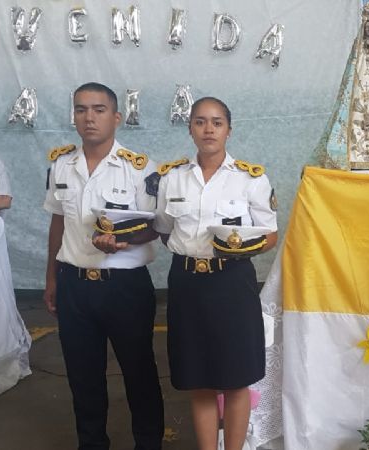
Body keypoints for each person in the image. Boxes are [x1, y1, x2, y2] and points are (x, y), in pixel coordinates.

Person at [43, 82, 164, 450]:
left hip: (124, 286)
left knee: (139, 371)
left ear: (116, 117)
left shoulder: (141, 169)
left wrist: (125, 240)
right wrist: (51, 278)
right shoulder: (61, 164)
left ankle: (148, 443)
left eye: (98, 110)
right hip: (75, 284)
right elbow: (58, 223)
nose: (88, 118)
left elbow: (155, 226)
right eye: (81, 110)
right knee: (83, 376)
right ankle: (92, 443)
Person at [153, 97, 278, 450]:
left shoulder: (251, 179)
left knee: (237, 378)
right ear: (190, 127)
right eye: (200, 122)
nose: (209, 129)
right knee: (200, 378)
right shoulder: (171, 178)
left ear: (229, 130)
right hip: (187, 283)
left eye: (217, 122)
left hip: (232, 282)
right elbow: (164, 228)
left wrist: (237, 250)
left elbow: (269, 235)